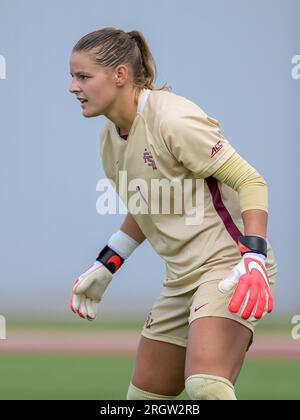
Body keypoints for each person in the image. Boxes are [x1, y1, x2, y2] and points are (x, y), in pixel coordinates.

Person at [68, 27, 277, 400]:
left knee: (206, 388)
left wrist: (255, 256)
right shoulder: (108, 140)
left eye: (83, 76)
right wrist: (108, 262)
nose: (73, 87)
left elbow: (252, 182)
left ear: (120, 75)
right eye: (73, 77)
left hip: (229, 267)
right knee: (142, 402)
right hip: (180, 281)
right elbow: (147, 205)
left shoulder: (173, 119)